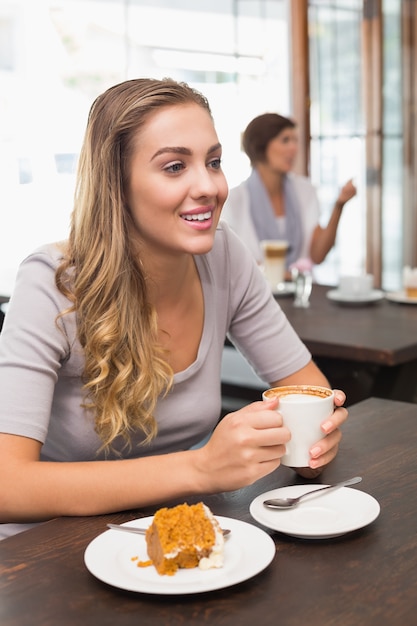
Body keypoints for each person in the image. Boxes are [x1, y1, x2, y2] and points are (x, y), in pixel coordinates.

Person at [0, 78, 348, 539]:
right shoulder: (52, 282)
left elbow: (307, 389)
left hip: (184, 533)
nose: (208, 186)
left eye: (214, 162)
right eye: (174, 166)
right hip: (48, 554)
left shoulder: (225, 255)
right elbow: (7, 486)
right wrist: (202, 468)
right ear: (116, 184)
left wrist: (313, 444)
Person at [221, 113, 357, 268]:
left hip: (300, 289)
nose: (294, 148)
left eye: (295, 140)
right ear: (261, 146)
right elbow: (230, 262)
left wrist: (339, 205)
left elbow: (318, 256)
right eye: (285, 140)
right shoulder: (234, 200)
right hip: (253, 291)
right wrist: (273, 275)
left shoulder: (306, 191)